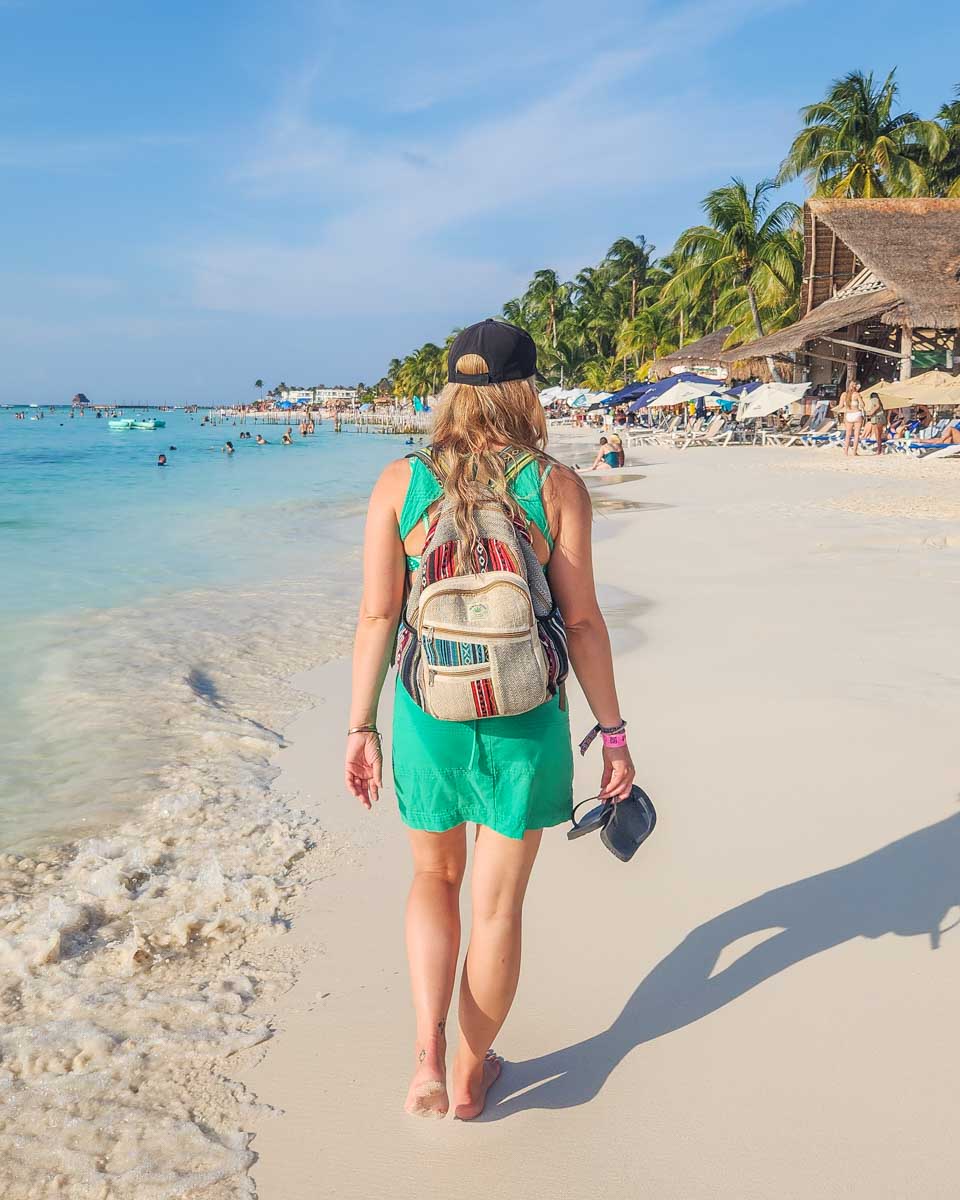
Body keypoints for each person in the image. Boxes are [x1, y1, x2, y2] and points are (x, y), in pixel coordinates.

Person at [345, 318, 634, 1121]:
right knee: (497, 908)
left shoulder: (401, 482)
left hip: (427, 710)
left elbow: (377, 616)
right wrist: (612, 735)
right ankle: (474, 1077)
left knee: (433, 878)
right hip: (525, 715)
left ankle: (428, 1059)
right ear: (526, 390)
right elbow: (581, 624)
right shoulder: (554, 484)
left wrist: (361, 726)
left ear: (449, 389)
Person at [837, 381, 865, 455]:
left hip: (848, 415)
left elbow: (840, 406)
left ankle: (845, 452)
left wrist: (835, 410)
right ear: (855, 387)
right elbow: (862, 405)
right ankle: (854, 452)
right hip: (856, 414)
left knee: (848, 434)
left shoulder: (844, 395)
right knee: (856, 435)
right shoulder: (856, 394)